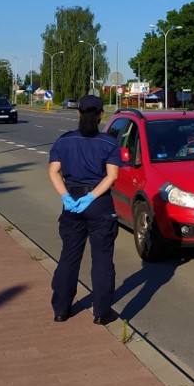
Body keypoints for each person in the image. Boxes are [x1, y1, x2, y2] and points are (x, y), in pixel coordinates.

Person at [48, 94, 121, 325]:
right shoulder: (109, 143)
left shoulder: (64, 141)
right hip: (99, 203)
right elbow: (112, 176)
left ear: (78, 113)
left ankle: (61, 310)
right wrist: (91, 196)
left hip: (73, 203)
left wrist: (67, 197)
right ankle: (101, 313)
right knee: (101, 259)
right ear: (101, 115)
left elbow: (53, 171)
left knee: (69, 256)